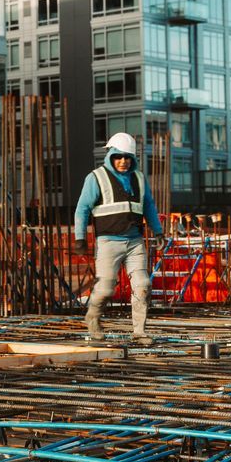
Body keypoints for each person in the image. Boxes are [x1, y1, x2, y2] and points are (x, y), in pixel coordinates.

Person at [72, 131, 164, 344]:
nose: (123, 161)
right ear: (110, 155)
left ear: (133, 158)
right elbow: (82, 209)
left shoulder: (139, 179)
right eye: (118, 157)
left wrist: (157, 230)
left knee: (143, 285)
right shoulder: (96, 177)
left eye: (127, 157)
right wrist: (80, 238)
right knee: (105, 289)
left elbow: (148, 206)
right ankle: (93, 318)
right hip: (108, 242)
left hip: (134, 242)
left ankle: (139, 332)